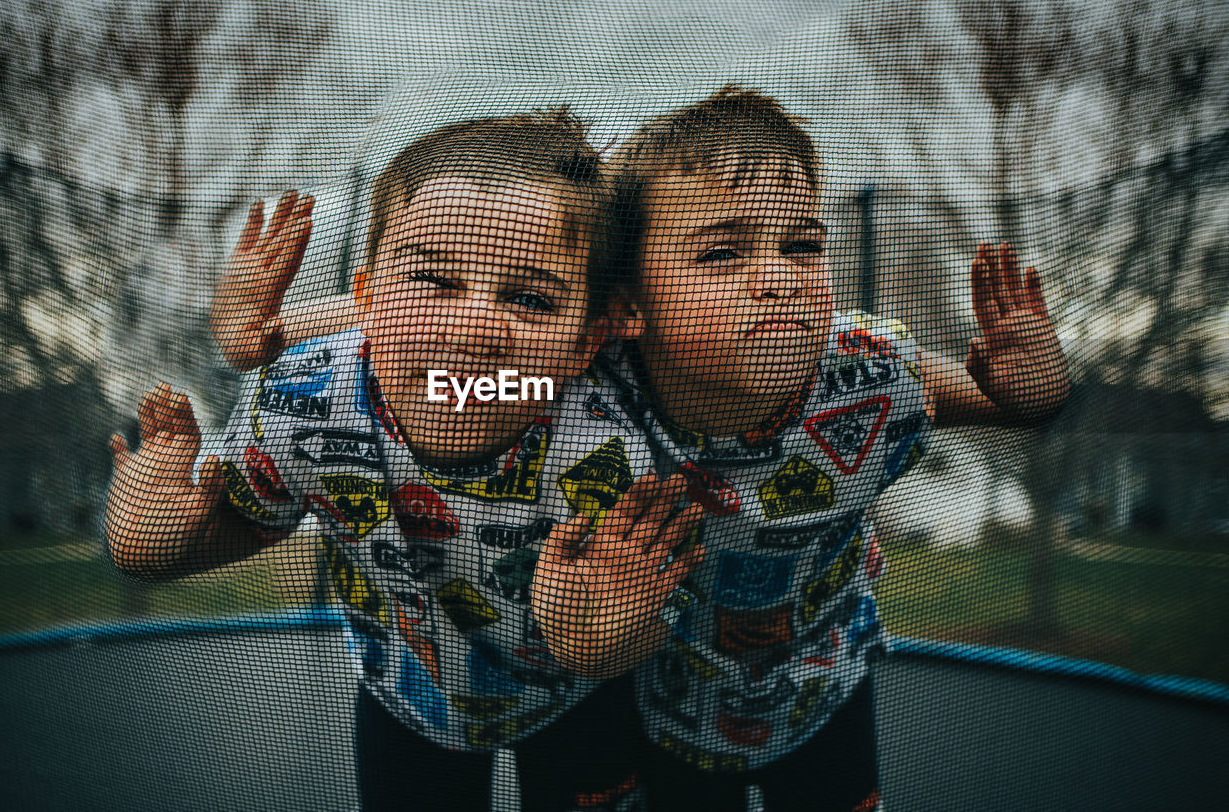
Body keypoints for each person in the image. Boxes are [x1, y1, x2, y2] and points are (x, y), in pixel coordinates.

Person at [210, 88, 1069, 811]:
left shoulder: (864, 372)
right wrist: (273, 336)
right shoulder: (584, 378)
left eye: (802, 244)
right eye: (724, 252)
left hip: (822, 679)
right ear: (627, 311)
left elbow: (995, 400)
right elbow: (419, 333)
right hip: (665, 703)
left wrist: (1026, 392)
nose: (777, 276)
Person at [105, 110, 705, 812]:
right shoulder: (308, 402)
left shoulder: (604, 447)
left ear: (584, 342)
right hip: (409, 691)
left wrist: (605, 639)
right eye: (433, 280)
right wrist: (157, 540)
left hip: (578, 702)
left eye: (530, 298)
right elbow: (253, 522)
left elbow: (644, 612)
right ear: (366, 300)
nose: (475, 326)